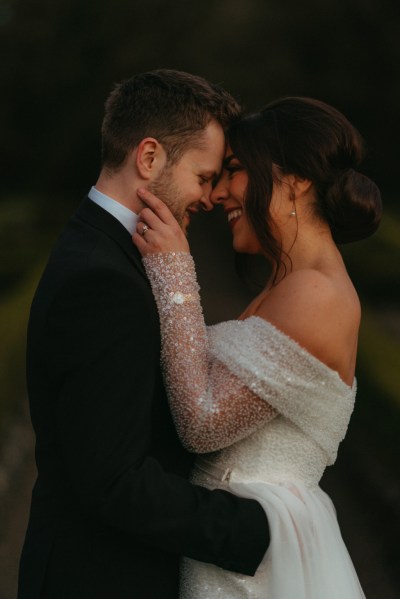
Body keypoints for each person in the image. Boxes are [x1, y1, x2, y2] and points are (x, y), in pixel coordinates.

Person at [18, 70, 271, 599]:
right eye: (203, 177)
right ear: (149, 157)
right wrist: (261, 529)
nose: (211, 196)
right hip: (100, 579)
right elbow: (113, 481)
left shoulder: (102, 248)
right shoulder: (102, 281)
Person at [133, 96, 382, 598]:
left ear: (296, 179)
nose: (221, 192)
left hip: (254, 557)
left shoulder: (316, 294)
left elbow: (203, 423)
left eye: (236, 171)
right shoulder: (288, 285)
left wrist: (174, 273)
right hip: (235, 541)